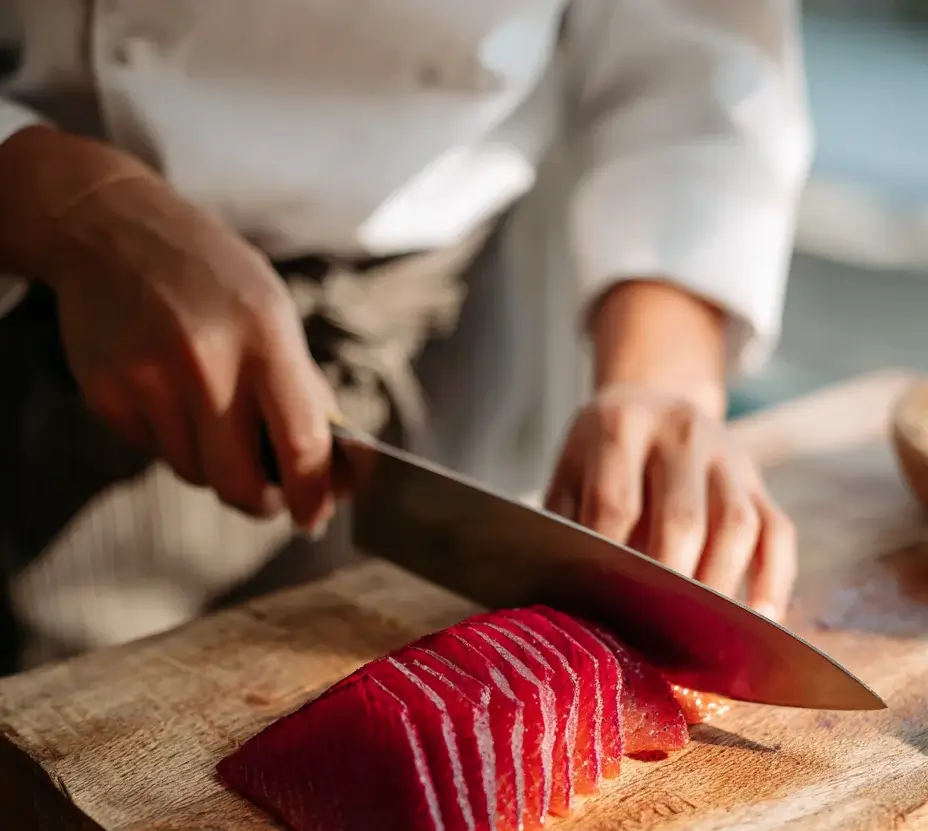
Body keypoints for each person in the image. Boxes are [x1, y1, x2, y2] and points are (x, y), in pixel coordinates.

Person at [0, 1, 811, 672]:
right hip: (54, 316)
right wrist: (76, 215)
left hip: (450, 321)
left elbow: (698, 46)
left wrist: (662, 376)